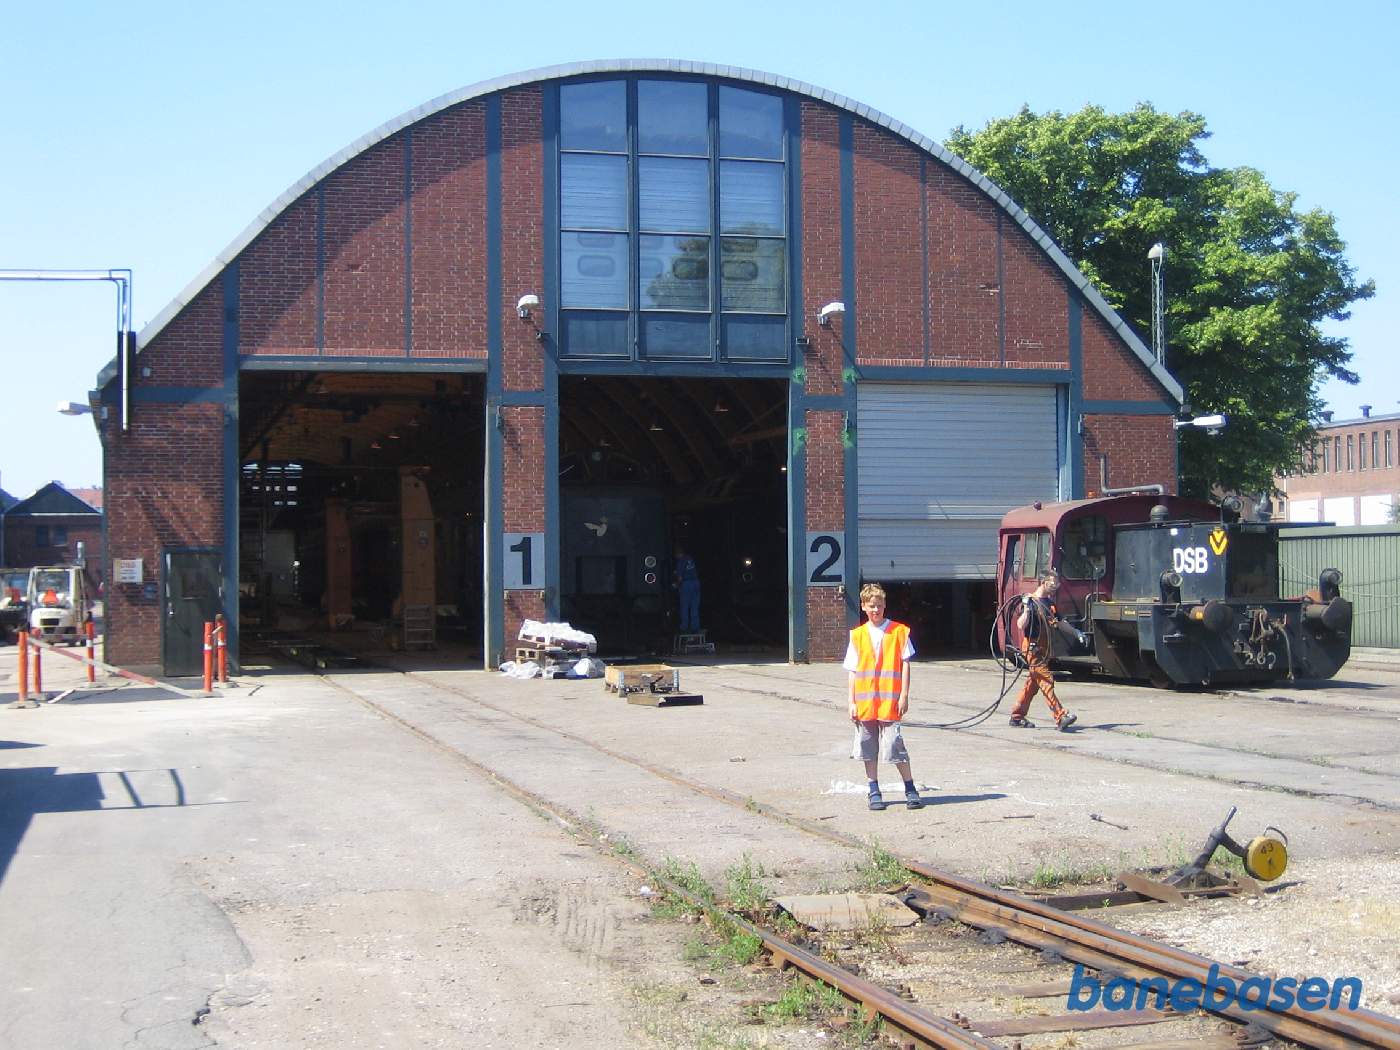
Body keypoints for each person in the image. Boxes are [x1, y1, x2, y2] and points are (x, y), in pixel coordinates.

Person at [844, 583, 923, 811]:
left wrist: (904, 695)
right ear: (863, 607)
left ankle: (910, 788)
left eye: (879, 605)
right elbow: (853, 671)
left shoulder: (899, 632)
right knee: (868, 747)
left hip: (890, 702)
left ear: (885, 605)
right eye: (871, 606)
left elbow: (905, 664)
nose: (876, 610)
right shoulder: (858, 635)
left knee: (894, 745)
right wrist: (851, 702)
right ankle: (873, 789)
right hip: (866, 703)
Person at [1009, 572, 1078, 731]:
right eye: (1052, 583)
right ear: (1042, 582)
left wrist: (1077, 633)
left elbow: (1060, 622)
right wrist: (1026, 608)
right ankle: (1060, 716)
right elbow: (1021, 624)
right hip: (1032, 648)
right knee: (1046, 680)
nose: (1055, 587)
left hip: (1044, 647)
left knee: (1033, 684)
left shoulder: (1049, 603)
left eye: (1057, 584)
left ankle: (1017, 716)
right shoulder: (1031, 602)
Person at [673, 545, 701, 633]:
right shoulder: (690, 558)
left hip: (686, 584)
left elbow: (680, 578)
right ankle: (695, 627)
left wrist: (676, 585)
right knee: (694, 606)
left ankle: (684, 627)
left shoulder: (680, 561)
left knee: (684, 606)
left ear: (677, 554)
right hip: (696, 583)